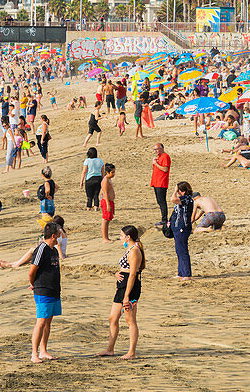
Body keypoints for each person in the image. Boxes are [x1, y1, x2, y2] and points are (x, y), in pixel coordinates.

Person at [101, 225, 144, 359]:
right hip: (122, 286)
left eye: (121, 236)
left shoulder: (134, 251)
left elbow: (132, 274)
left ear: (128, 237)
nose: (120, 238)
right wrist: (117, 273)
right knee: (112, 318)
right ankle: (110, 349)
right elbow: (125, 269)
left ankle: (131, 352)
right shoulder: (130, 249)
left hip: (129, 288)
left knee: (130, 320)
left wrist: (126, 295)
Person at [28, 223, 61, 363]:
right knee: (41, 322)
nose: (60, 236)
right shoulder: (42, 248)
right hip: (43, 289)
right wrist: (33, 284)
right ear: (53, 235)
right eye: (58, 234)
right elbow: (32, 270)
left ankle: (43, 350)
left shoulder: (53, 250)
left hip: (54, 289)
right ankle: (34, 353)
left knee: (48, 322)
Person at [169, 181, 194, 281]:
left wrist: (175, 191)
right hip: (177, 227)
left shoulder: (187, 199)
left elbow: (172, 199)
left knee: (182, 250)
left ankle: (186, 274)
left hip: (182, 227)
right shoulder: (184, 199)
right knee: (179, 250)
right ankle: (181, 272)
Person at [150, 143, 170, 226]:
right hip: (156, 182)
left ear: (162, 148)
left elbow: (165, 169)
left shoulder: (165, 156)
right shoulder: (159, 157)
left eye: (157, 149)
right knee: (159, 201)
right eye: (154, 149)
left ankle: (164, 219)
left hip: (161, 182)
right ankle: (163, 219)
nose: (155, 151)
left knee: (162, 201)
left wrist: (156, 164)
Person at [99, 164, 116, 243]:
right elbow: (104, 192)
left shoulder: (108, 179)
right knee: (105, 220)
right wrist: (108, 204)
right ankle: (104, 238)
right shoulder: (105, 180)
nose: (114, 174)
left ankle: (106, 237)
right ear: (107, 172)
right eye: (112, 172)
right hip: (106, 201)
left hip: (109, 201)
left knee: (108, 219)